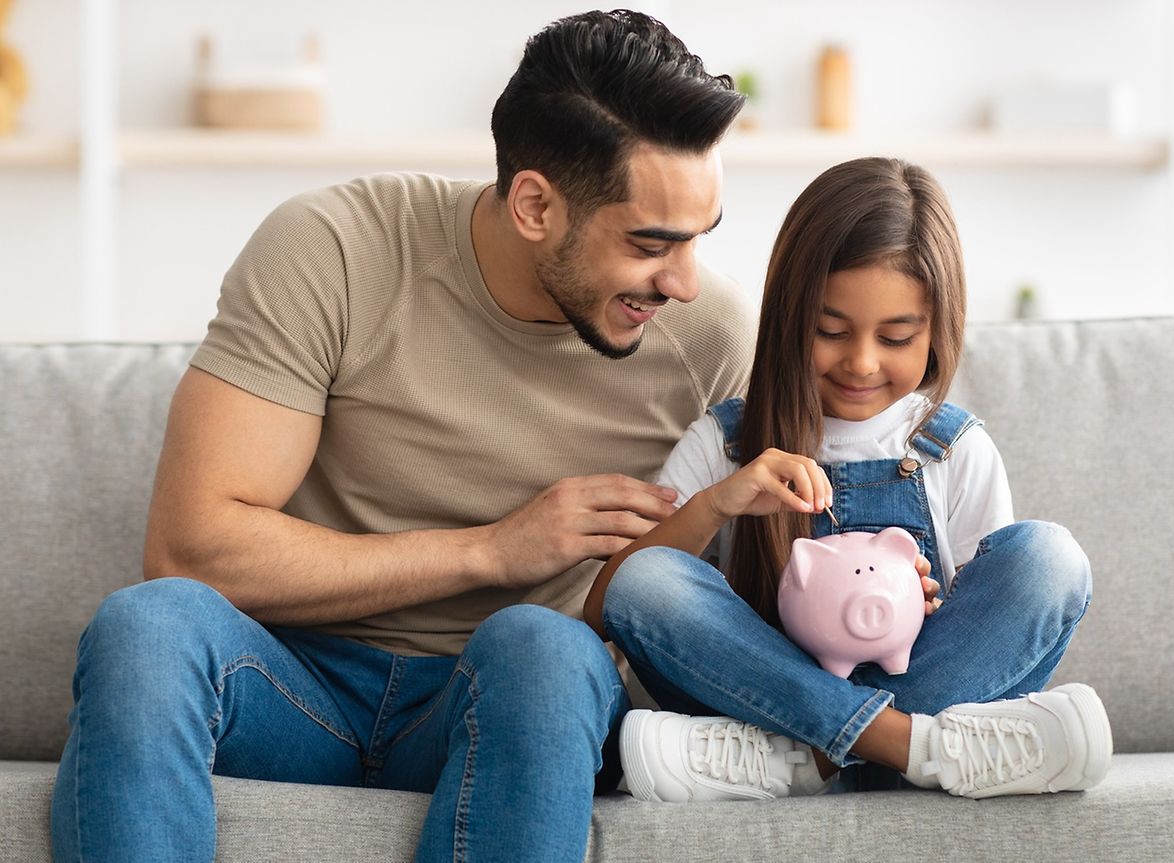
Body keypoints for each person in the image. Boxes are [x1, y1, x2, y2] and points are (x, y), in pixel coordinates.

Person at [50, 10, 753, 862]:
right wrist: (495, 550)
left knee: (546, 645)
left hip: (504, 701)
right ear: (535, 203)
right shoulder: (335, 250)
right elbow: (192, 550)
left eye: (697, 241)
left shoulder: (712, 338)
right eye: (650, 243)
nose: (681, 281)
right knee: (147, 626)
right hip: (289, 683)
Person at [584, 156, 1112, 802]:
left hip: (796, 724)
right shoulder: (727, 442)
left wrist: (929, 600)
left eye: (895, 337)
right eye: (830, 331)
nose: (861, 362)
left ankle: (805, 761)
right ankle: (907, 749)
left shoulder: (955, 450)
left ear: (936, 332)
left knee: (1049, 559)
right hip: (770, 697)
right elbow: (608, 604)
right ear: (789, 318)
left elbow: (984, 633)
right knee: (648, 577)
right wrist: (719, 503)